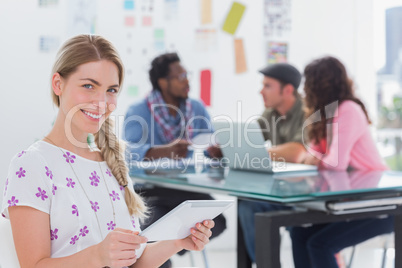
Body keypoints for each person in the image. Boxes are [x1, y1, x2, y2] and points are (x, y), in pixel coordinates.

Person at [1, 35, 214, 268]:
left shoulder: (110, 161)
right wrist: (97, 256)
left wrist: (178, 242)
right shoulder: (32, 165)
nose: (102, 102)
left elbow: (133, 262)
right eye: (88, 86)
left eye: (111, 90)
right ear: (58, 84)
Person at [123, 52, 226, 268]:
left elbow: (208, 144)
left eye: (186, 74)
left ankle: (176, 245)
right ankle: (168, 250)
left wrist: (215, 151)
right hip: (151, 192)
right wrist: (163, 151)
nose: (187, 80)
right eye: (180, 76)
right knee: (153, 232)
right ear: (163, 82)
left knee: (219, 221)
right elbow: (127, 154)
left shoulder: (195, 108)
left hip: (188, 190)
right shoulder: (138, 111)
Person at [290, 56, 391, 268]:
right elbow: (313, 155)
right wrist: (313, 157)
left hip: (379, 203)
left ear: (319, 84)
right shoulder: (327, 114)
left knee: (320, 244)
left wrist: (313, 158)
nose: (304, 89)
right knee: (299, 232)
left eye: (308, 82)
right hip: (350, 200)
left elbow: (335, 163)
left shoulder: (348, 110)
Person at [237, 62, 306, 263]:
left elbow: (297, 153)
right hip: (282, 189)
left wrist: (255, 152)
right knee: (248, 205)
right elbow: (248, 137)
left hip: (307, 194)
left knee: (251, 206)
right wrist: (223, 147)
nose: (261, 91)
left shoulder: (308, 110)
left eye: (267, 86)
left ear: (287, 90)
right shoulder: (271, 112)